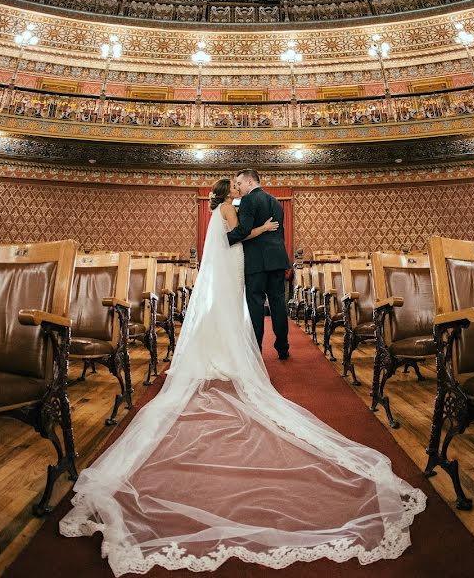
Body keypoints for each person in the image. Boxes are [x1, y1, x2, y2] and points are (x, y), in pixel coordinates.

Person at [60, 177, 425, 576]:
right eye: (232, 186)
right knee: (256, 310)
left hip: (246, 263)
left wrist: (255, 230)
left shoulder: (233, 204)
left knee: (245, 309)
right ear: (229, 192)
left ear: (243, 184)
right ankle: (260, 349)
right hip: (249, 260)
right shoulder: (249, 205)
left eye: (239, 183)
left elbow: (234, 233)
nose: (237, 189)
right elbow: (237, 234)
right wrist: (267, 230)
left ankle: (246, 348)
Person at [225, 169, 291, 359]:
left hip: (256, 262)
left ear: (249, 182)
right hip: (277, 260)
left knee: (255, 305)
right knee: (278, 305)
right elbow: (279, 233)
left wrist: (223, 240)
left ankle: (255, 351)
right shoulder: (277, 203)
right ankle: (283, 348)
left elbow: (244, 230)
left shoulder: (249, 200)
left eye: (239, 183)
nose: (238, 187)